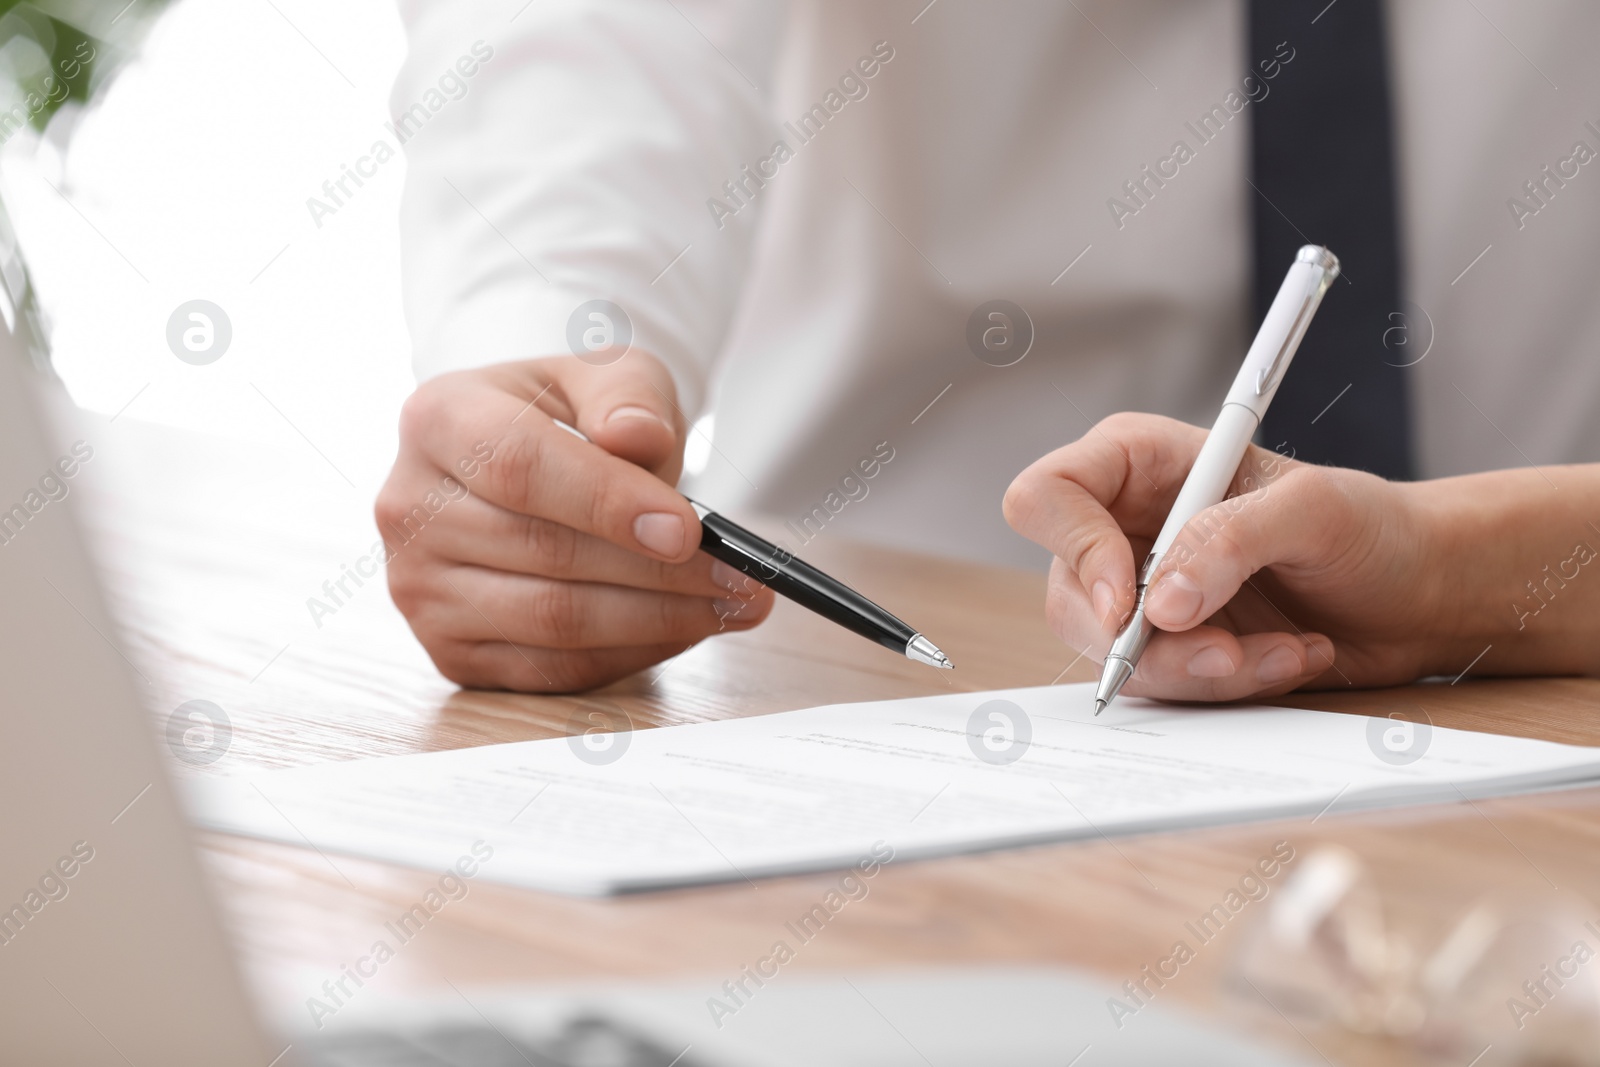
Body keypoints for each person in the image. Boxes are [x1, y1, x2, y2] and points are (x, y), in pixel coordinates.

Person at [376, 0, 1600, 695]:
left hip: (1553, 686)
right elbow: (599, 40)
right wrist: (549, 356)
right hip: (876, 667)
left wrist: (1482, 572)